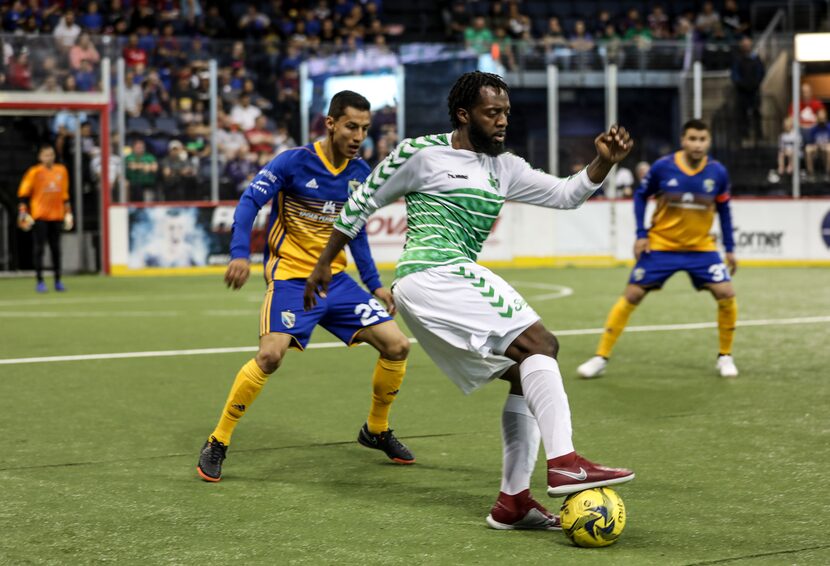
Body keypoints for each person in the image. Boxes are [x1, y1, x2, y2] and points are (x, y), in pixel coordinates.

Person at [304, 72, 635, 531]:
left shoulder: (506, 167)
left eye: (506, 113)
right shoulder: (420, 153)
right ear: (464, 115)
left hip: (441, 281)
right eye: (491, 113)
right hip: (432, 272)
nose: (502, 121)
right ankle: (565, 462)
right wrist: (324, 263)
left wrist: (602, 163)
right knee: (541, 343)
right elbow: (361, 203)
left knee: (527, 370)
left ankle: (512, 502)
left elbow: (566, 195)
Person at [197, 91, 414, 482]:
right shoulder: (294, 162)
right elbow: (249, 202)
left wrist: (375, 284)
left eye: (364, 129)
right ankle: (218, 440)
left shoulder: (360, 174)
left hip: (338, 283)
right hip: (291, 278)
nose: (358, 135)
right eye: (351, 126)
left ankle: (376, 430)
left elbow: (356, 233)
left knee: (398, 345)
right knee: (270, 356)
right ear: (330, 123)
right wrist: (239, 253)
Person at [578, 119, 739, 380]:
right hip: (662, 245)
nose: (697, 144)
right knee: (632, 294)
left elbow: (725, 210)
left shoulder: (718, 172)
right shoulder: (664, 167)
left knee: (726, 293)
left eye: (702, 139)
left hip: (701, 248)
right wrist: (642, 234)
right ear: (683, 140)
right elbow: (641, 196)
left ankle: (725, 356)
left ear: (708, 142)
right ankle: (600, 357)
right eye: (692, 139)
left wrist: (730, 248)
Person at [17, 144, 73, 293]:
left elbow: (65, 195)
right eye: (46, 155)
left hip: (56, 216)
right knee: (39, 249)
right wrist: (23, 213)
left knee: (56, 250)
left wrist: (69, 213)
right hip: (40, 216)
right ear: (40, 157)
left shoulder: (61, 171)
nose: (49, 158)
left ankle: (58, 281)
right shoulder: (34, 172)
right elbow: (23, 195)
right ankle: (40, 281)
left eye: (51, 155)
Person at [805, 108, 830, 180]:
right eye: (820, 118)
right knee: (808, 149)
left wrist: (825, 145)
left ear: (826, 118)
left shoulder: (829, 127)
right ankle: (810, 174)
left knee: (829, 149)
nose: (822, 120)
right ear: (817, 118)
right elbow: (810, 142)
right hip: (816, 148)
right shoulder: (813, 128)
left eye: (823, 118)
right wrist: (816, 146)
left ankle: (827, 174)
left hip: (826, 147)